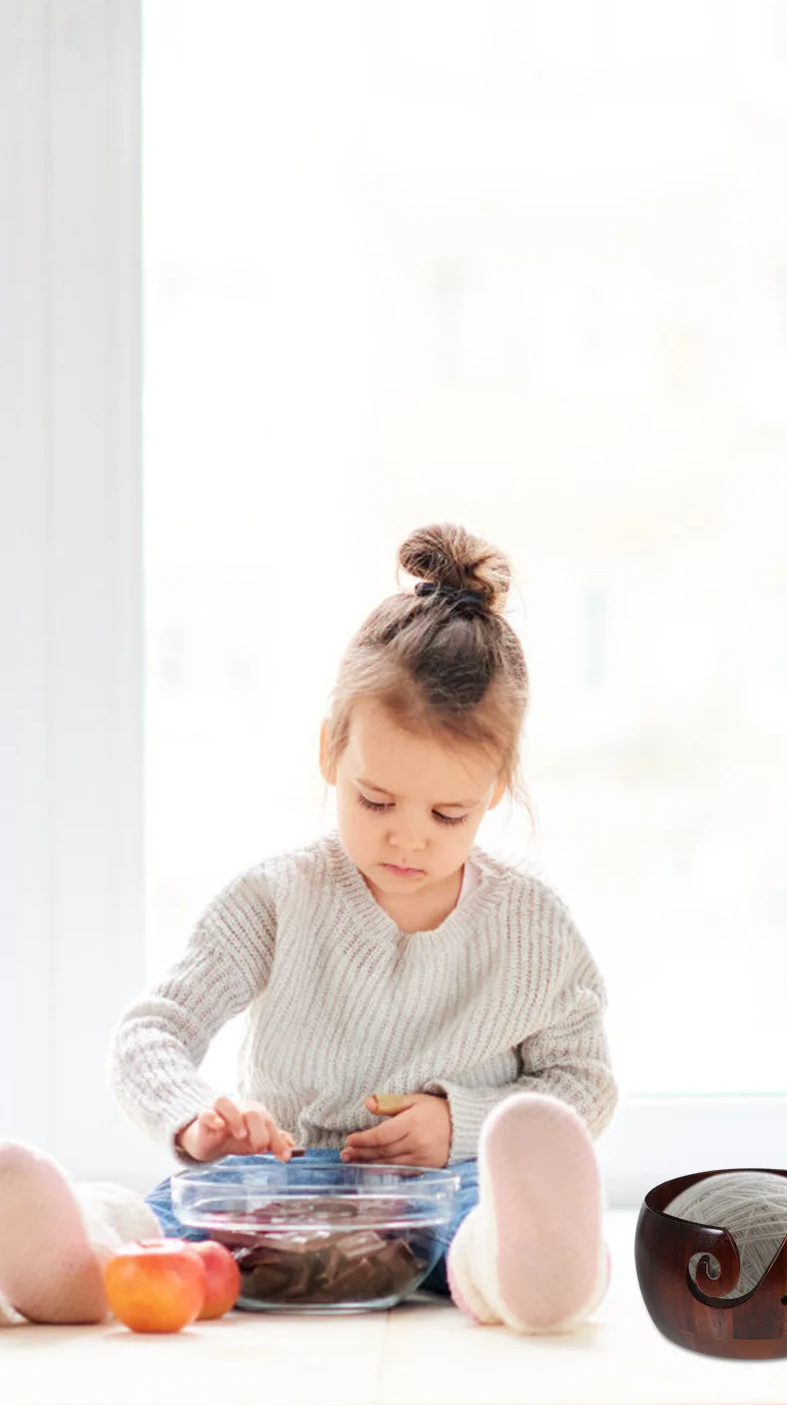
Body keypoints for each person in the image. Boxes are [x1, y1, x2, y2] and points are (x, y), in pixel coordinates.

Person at [0, 523, 615, 1331]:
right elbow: (151, 1033)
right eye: (376, 800)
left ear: (495, 788)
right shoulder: (278, 898)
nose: (408, 837)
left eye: (448, 812)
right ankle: (74, 1259)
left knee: (481, 1225)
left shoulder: (533, 927)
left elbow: (582, 1086)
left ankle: (533, 1273)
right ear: (330, 752)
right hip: (282, 1191)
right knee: (170, 1226)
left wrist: (457, 1123)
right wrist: (197, 1116)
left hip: (444, 1189)